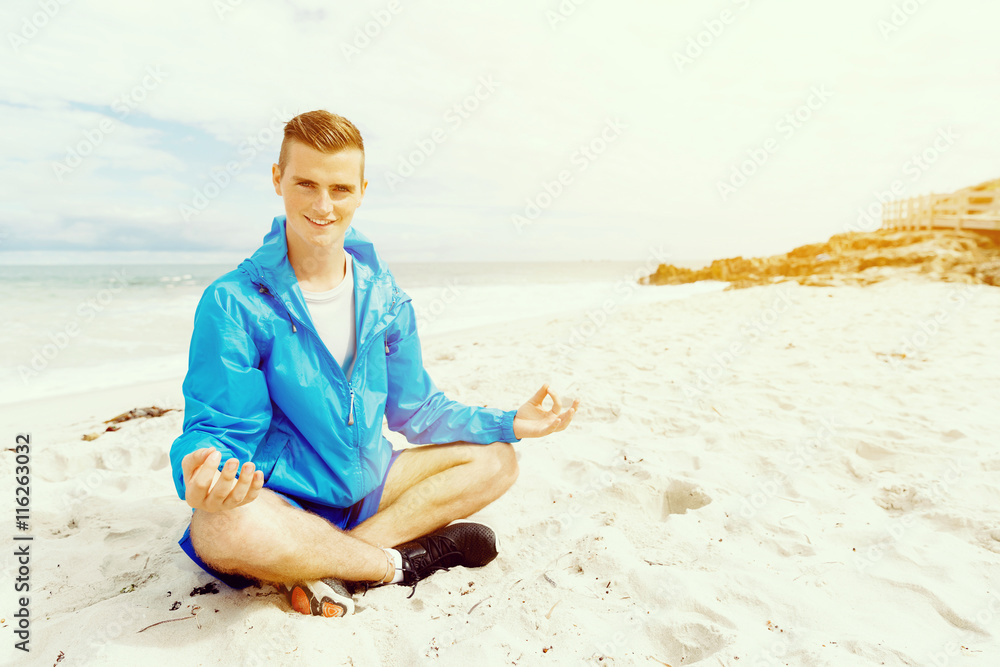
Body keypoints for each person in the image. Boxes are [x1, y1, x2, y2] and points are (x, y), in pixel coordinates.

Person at [169, 109, 580, 617]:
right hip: (283, 500)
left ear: (362, 190)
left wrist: (510, 421)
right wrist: (204, 470)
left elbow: (418, 411)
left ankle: (327, 565)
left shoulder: (387, 299)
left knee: (498, 458)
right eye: (305, 184)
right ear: (278, 180)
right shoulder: (233, 302)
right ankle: (397, 564)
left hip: (370, 486)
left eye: (340, 189)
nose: (323, 205)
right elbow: (221, 427)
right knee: (222, 528)